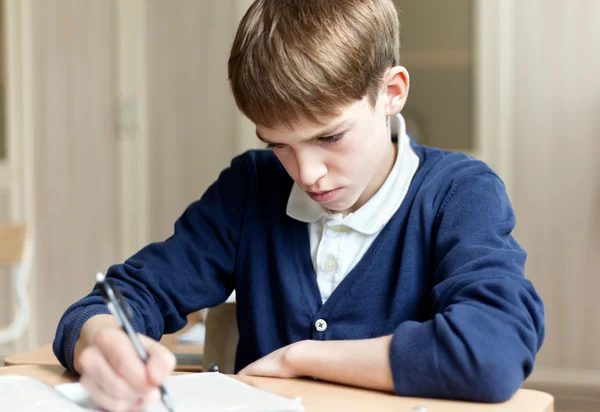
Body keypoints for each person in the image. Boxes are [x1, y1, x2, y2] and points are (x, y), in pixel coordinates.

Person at [53, 0, 545, 410]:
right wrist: (105, 343)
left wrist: (300, 359)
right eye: (278, 145)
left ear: (391, 93)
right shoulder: (250, 188)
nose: (306, 174)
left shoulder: (459, 194)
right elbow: (109, 303)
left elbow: (493, 350)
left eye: (329, 136)